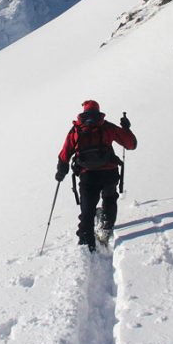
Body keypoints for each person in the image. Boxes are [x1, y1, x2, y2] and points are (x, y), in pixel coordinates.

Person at [56, 100, 137, 251]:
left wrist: (61, 172)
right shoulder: (106, 126)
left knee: (87, 212)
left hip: (88, 176)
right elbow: (131, 145)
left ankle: (87, 246)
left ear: (84, 112)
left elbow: (65, 153)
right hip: (109, 173)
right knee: (109, 199)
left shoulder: (77, 129)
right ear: (98, 111)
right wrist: (126, 128)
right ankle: (106, 226)